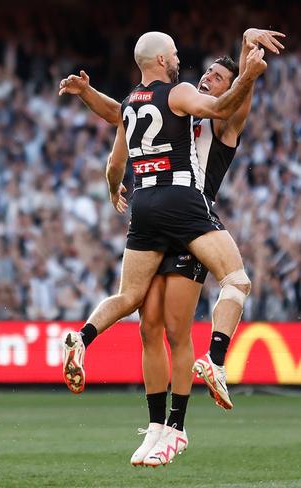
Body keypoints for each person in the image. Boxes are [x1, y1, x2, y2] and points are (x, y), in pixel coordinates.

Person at [59, 28, 285, 467]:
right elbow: (122, 111)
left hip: (183, 221)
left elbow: (229, 101)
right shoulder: (180, 104)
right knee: (149, 328)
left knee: (175, 331)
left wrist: (246, 65)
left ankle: (176, 428)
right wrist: (90, 94)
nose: (207, 80)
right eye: (206, 75)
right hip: (172, 213)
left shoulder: (224, 122)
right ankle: (159, 427)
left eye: (217, 77)